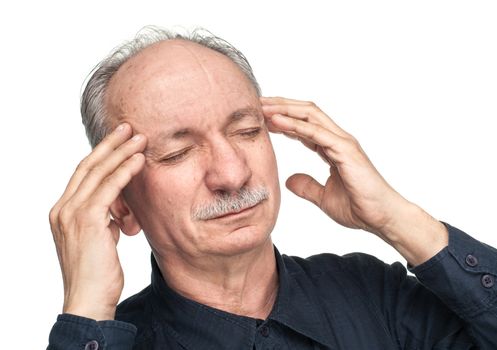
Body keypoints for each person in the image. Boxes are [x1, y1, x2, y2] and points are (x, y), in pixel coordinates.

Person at [47, 27, 497, 350]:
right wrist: (85, 309)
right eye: (177, 153)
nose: (232, 174)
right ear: (121, 204)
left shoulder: (375, 293)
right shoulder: (108, 340)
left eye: (246, 131)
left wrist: (397, 219)